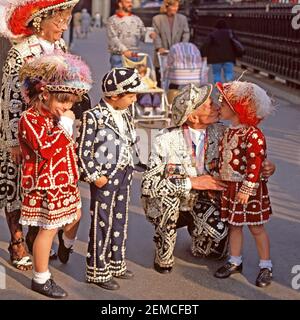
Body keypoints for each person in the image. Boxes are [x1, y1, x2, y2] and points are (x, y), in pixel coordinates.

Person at [141, 83, 276, 274]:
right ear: (193, 116)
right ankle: (164, 252)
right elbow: (149, 184)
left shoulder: (223, 132)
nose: (217, 106)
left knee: (215, 247)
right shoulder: (165, 139)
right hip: (175, 200)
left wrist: (267, 165)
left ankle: (199, 236)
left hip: (207, 200)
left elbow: (248, 157)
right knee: (167, 203)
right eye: (209, 104)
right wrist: (192, 182)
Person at [0, 0, 79, 271]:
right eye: (58, 21)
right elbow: (9, 97)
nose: (62, 26)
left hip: (52, 128)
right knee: (17, 186)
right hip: (25, 128)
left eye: (65, 21)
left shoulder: (62, 48)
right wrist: (12, 141)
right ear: (39, 21)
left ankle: (37, 236)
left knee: (42, 185)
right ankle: (17, 241)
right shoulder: (20, 52)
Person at [18, 52, 92, 298]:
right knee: (47, 230)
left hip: (64, 182)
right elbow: (46, 150)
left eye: (71, 102)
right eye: (64, 101)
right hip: (44, 184)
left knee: (75, 215)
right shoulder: (29, 119)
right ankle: (40, 278)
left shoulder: (55, 116)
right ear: (45, 94)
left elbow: (68, 148)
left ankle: (66, 246)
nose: (68, 107)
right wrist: (66, 126)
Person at [77, 67, 144, 291]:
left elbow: (130, 140)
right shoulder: (93, 117)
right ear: (115, 95)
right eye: (131, 95)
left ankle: (116, 261)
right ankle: (97, 268)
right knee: (102, 221)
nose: (134, 100)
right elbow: (83, 151)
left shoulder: (126, 113)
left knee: (120, 218)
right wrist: (95, 177)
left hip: (124, 173)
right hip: (105, 177)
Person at [214, 81, 274, 287]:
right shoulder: (228, 131)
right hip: (231, 187)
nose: (218, 107)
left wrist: (248, 189)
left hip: (249, 189)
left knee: (256, 227)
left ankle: (266, 265)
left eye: (223, 104)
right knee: (234, 226)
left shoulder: (253, 135)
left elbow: (255, 165)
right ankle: (234, 260)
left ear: (236, 108)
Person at [152, 0, 190, 87]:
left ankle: (172, 96)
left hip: (177, 54)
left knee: (175, 79)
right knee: (160, 77)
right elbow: (156, 34)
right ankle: (160, 97)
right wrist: (159, 47)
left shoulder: (182, 19)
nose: (175, 9)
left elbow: (186, 33)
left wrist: (182, 46)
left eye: (177, 7)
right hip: (162, 53)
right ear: (167, 7)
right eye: (173, 6)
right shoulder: (157, 19)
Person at [106, 0, 154, 68]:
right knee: (119, 77)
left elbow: (142, 35)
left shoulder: (137, 20)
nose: (130, 4)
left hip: (134, 55)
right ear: (120, 4)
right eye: (127, 2)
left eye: (131, 2)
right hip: (118, 56)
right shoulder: (113, 20)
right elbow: (113, 38)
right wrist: (124, 50)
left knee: (134, 77)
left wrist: (150, 35)